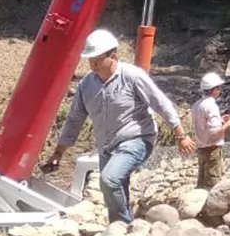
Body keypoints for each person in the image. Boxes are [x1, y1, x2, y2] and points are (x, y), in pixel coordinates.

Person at [44, 29, 195, 223]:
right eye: (90, 60)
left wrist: (181, 135)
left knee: (109, 179)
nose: (93, 64)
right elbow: (74, 119)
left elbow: (160, 103)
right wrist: (59, 152)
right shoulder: (87, 85)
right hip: (107, 145)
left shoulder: (132, 76)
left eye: (97, 59)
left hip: (137, 138)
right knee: (114, 186)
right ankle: (121, 229)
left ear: (112, 56)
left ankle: (123, 225)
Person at [192, 71, 230, 189]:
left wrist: (220, 120)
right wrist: (228, 124)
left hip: (201, 149)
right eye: (218, 88)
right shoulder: (211, 105)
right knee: (213, 186)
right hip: (212, 150)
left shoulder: (197, 105)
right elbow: (214, 134)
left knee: (202, 185)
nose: (219, 90)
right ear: (214, 89)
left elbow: (203, 126)